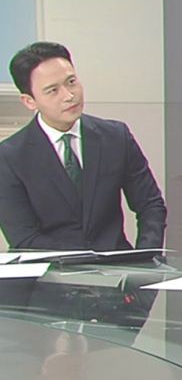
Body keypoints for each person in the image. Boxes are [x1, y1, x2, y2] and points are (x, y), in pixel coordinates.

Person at [0, 42, 166, 251]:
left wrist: (145, 258)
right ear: (29, 101)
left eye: (71, 82)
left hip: (118, 265)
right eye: (53, 90)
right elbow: (24, 238)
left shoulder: (116, 137)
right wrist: (82, 263)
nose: (69, 95)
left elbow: (150, 205)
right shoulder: (10, 157)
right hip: (52, 268)